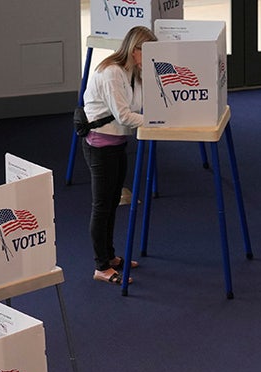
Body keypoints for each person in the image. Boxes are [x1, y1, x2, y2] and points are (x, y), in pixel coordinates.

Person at [81, 25, 154, 284]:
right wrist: (158, 121)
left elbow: (138, 107)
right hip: (100, 145)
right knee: (102, 206)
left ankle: (110, 256)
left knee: (113, 202)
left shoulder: (134, 72)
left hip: (117, 142)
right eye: (147, 51)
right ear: (134, 50)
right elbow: (124, 115)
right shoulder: (112, 72)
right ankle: (101, 266)